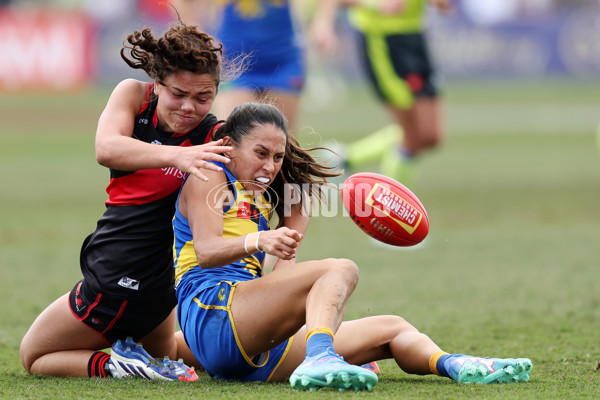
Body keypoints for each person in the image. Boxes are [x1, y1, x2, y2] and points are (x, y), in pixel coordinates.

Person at [172, 101, 533, 390]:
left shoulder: (269, 194)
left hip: (248, 340)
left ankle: (457, 364)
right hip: (214, 309)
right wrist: (261, 239)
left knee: (392, 327)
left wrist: (298, 211)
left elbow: (285, 274)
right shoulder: (208, 176)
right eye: (261, 153)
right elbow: (206, 252)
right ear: (229, 146)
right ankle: (320, 356)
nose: (270, 166)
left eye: (278, 157)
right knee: (339, 268)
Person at [19, 22, 233, 380]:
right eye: (178, 93)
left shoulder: (212, 134)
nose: (189, 107)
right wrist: (176, 156)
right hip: (159, 293)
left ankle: (117, 366)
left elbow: (268, 163)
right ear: (158, 82)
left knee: (35, 356)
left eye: (203, 98)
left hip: (120, 277)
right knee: (173, 355)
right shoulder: (135, 96)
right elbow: (107, 148)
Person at [319, 0, 452, 189]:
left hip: (415, 37)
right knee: (412, 136)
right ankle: (390, 204)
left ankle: (344, 158)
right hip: (383, 41)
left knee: (430, 136)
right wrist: (374, 5)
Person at [171, 0, 339, 130]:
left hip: (283, 60)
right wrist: (199, 34)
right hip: (235, 64)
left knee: (281, 145)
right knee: (234, 137)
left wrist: (324, 23)